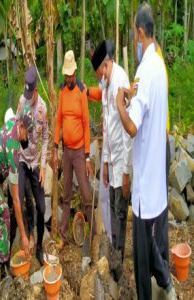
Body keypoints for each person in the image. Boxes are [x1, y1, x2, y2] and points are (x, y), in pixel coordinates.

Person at [116, 2, 176, 299]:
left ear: (140, 32)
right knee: (156, 244)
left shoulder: (143, 70)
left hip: (144, 191)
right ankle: (165, 282)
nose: (135, 43)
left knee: (142, 260)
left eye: (136, 37)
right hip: (157, 183)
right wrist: (132, 95)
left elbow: (132, 127)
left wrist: (119, 106)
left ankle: (154, 290)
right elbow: (147, 106)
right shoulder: (159, 67)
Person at [0, 104, 33, 278]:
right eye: (28, 132)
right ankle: (3, 267)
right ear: (21, 126)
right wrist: (24, 237)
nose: (28, 137)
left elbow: (12, 113)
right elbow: (16, 200)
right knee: (4, 213)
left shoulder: (13, 122)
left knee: (1, 214)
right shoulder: (13, 150)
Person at [90, 40, 132, 261]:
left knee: (120, 212)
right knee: (114, 212)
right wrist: (104, 163)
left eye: (100, 74)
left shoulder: (121, 81)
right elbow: (106, 128)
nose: (99, 79)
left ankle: (119, 259)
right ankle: (115, 252)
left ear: (106, 65)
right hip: (112, 160)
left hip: (122, 160)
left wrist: (126, 171)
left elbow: (127, 131)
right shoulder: (106, 86)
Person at [53, 50, 96, 250]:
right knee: (66, 194)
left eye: (71, 75)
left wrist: (87, 157)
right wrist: (55, 146)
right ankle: (63, 236)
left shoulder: (80, 91)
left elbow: (86, 125)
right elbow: (59, 120)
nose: (69, 78)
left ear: (75, 73)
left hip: (79, 152)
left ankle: (94, 234)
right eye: (66, 75)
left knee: (86, 194)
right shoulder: (62, 92)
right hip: (66, 151)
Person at [10, 66, 48, 265]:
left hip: (35, 164)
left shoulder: (42, 108)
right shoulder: (21, 102)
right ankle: (22, 240)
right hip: (23, 161)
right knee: (19, 200)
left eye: (30, 93)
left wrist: (42, 165)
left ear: (36, 91)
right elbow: (16, 127)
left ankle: (40, 246)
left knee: (41, 208)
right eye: (25, 93)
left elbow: (46, 137)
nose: (27, 97)